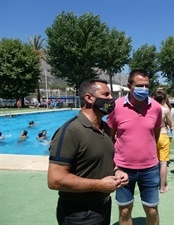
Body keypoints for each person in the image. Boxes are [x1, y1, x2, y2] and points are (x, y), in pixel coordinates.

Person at [47, 79, 129, 225]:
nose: (111, 98)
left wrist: (117, 171)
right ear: (89, 98)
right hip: (78, 214)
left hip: (103, 206)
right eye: (106, 94)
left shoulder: (105, 128)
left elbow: (103, 161)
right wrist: (99, 185)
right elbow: (55, 180)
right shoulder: (70, 131)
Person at [106, 69, 162, 225]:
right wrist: (114, 165)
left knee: (151, 210)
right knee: (124, 210)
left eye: (146, 86)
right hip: (123, 168)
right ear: (129, 85)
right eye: (139, 85)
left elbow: (155, 135)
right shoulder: (116, 106)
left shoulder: (156, 107)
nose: (143, 89)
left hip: (150, 168)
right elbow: (110, 137)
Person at [154, 90, 173, 194]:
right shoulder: (165, 110)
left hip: (153, 136)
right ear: (164, 99)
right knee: (163, 162)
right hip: (163, 134)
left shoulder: (149, 109)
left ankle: (153, 184)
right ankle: (162, 187)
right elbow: (171, 124)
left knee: (155, 162)